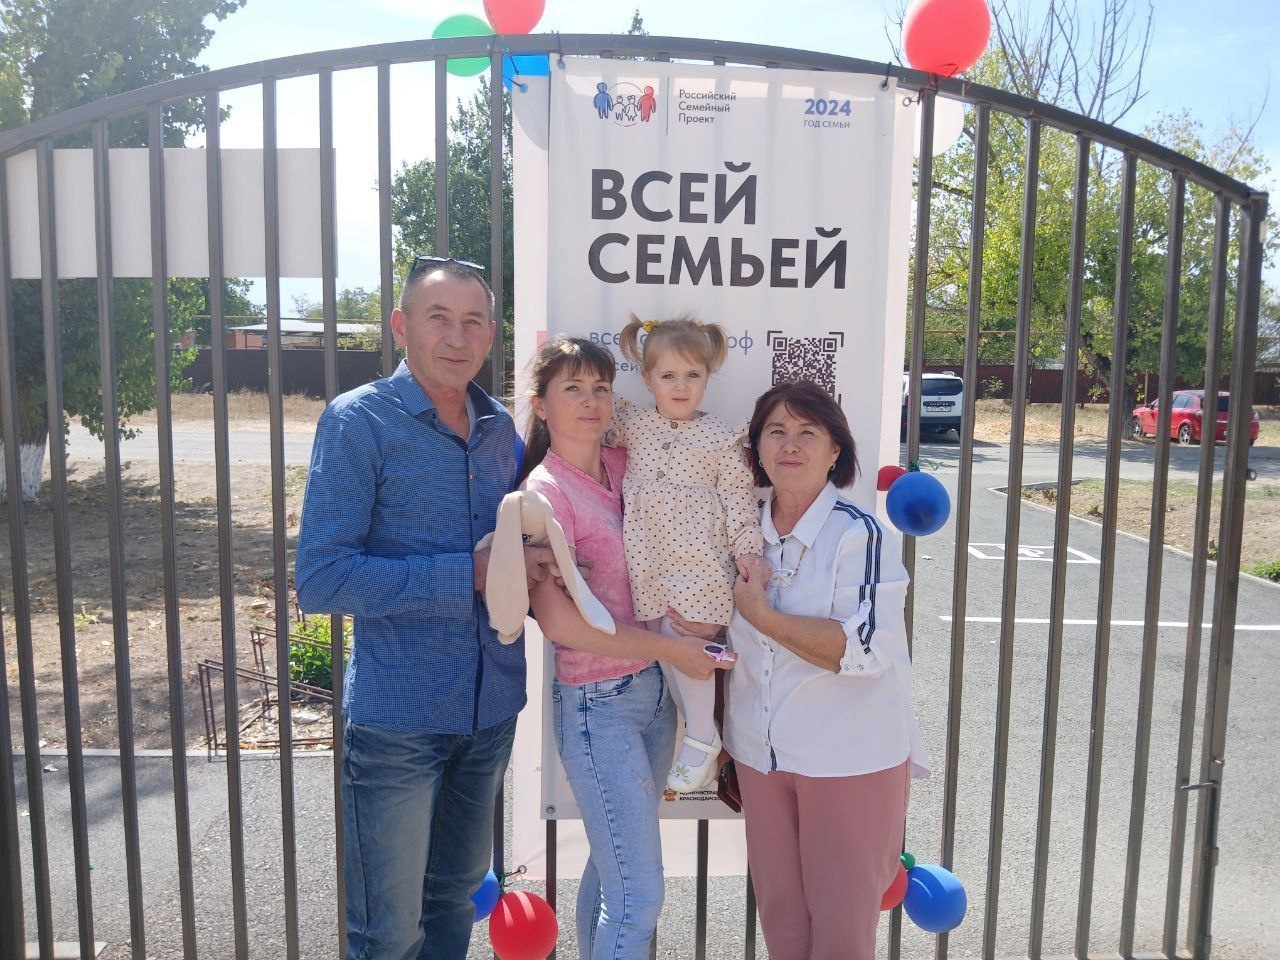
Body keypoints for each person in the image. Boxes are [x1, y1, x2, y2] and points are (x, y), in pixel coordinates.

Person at [295, 257, 556, 960]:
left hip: (489, 712)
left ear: (492, 335)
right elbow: (322, 579)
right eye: (439, 318)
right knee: (387, 935)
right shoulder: (359, 422)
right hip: (399, 722)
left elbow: (519, 547)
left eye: (473, 321)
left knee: (452, 908)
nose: (457, 336)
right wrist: (466, 575)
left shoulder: (500, 429)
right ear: (401, 326)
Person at [694, 380, 930, 960]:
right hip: (760, 757)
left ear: (835, 451)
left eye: (808, 432)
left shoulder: (860, 534)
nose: (790, 444)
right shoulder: (738, 532)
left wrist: (764, 617)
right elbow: (722, 641)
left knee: (841, 936)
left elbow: (864, 649)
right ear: (756, 449)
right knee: (783, 927)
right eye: (775, 431)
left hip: (847, 761)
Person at [516, 335, 735, 960]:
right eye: (573, 389)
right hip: (597, 705)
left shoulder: (625, 460)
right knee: (639, 897)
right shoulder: (544, 493)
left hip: (653, 699)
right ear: (541, 405)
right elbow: (562, 625)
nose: (591, 402)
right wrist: (673, 651)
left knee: (610, 868)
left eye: (602, 388)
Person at [614, 314, 765, 792]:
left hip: (702, 563)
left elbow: (740, 500)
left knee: (687, 635)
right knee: (665, 645)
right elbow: (583, 408)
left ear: (707, 377)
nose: (681, 386)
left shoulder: (721, 436)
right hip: (649, 562)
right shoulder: (633, 425)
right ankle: (702, 731)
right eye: (668, 375)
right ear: (647, 379)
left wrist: (748, 551)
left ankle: (702, 735)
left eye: (693, 375)